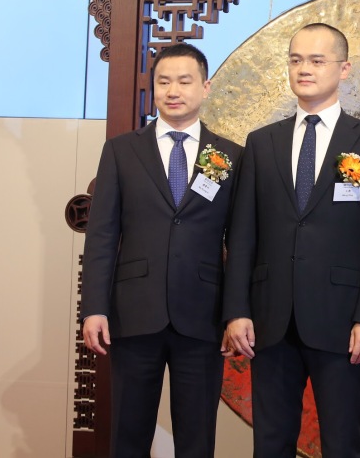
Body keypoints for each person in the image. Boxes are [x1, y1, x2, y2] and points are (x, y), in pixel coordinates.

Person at [221, 22, 360, 458]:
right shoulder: (261, 143)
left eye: (317, 60)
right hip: (270, 320)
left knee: (342, 443)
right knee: (270, 443)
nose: (304, 69)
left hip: (341, 321)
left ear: (344, 68)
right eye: (296, 59)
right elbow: (242, 235)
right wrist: (237, 310)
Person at [80, 42, 242, 458]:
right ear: (153, 88)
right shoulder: (121, 151)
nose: (173, 91)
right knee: (128, 436)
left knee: (196, 439)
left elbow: (240, 242)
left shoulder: (230, 155)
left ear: (205, 87)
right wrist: (94, 307)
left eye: (184, 81)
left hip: (203, 317)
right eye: (164, 81)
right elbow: (101, 234)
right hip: (134, 315)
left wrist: (235, 313)